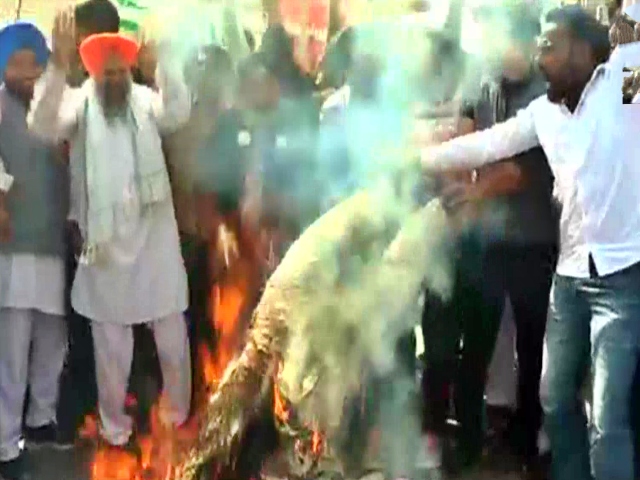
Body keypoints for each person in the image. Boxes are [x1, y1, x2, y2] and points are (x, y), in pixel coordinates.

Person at [419, 6, 639, 480]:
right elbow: (485, 146)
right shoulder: (543, 113)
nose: (539, 56)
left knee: (607, 415)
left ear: (582, 50)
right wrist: (422, 157)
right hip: (571, 277)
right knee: (554, 398)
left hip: (623, 278)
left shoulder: (624, 92)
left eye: (548, 45)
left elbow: (635, 44)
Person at [29, 10, 192, 451]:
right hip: (103, 248)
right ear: (96, 73)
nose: (116, 79)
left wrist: (164, 65)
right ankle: (114, 427)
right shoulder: (80, 102)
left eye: (122, 71)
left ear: (130, 70)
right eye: (108, 72)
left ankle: (178, 417)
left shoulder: (144, 100)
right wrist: (58, 67)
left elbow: (177, 110)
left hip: (154, 241)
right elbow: (42, 125)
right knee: (111, 352)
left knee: (173, 338)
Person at [0, 21, 69, 480]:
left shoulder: (56, 105)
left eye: (36, 65)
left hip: (54, 241)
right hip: (13, 245)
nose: (28, 75)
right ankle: (5, 443)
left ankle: (41, 420)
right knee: (12, 346)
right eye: (18, 65)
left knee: (52, 338)